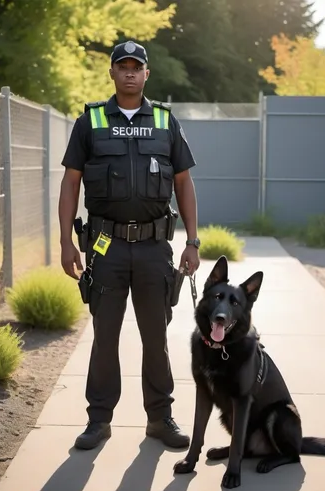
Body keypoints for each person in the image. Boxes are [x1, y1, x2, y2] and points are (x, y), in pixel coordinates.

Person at [58, 40, 200, 451]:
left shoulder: (164, 120)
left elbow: (184, 184)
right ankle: (98, 420)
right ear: (113, 73)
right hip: (106, 247)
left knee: (156, 336)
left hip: (155, 248)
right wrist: (66, 242)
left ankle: (160, 419)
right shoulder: (91, 121)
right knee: (106, 336)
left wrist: (192, 241)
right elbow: (70, 183)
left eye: (137, 66)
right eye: (123, 66)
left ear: (147, 74)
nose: (130, 72)